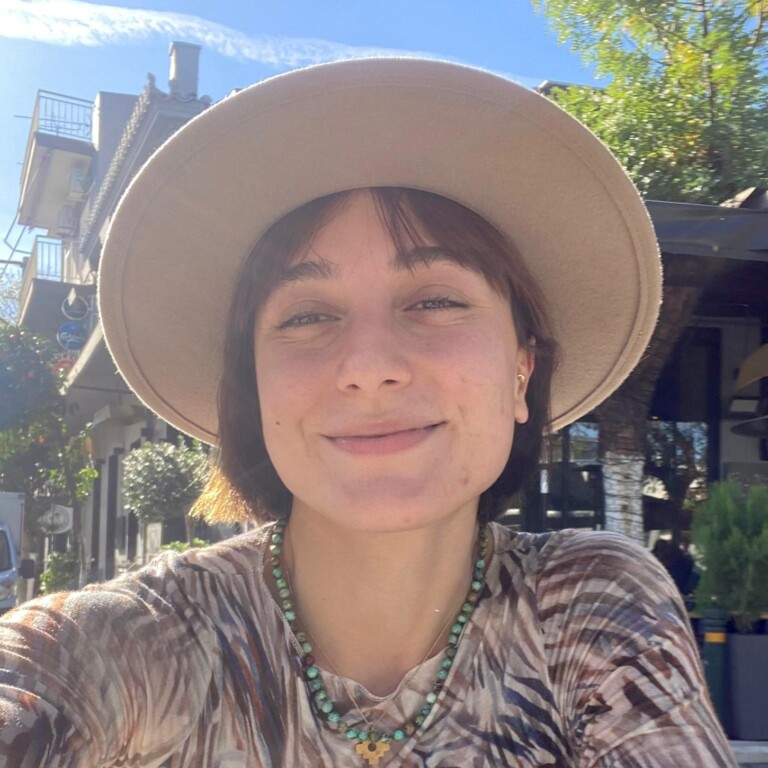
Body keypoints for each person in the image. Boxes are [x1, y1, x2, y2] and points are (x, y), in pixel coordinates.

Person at [0, 59, 736, 767]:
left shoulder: (587, 606)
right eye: (308, 316)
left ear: (521, 372)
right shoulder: (134, 642)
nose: (368, 367)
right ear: (254, 391)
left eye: (436, 302)